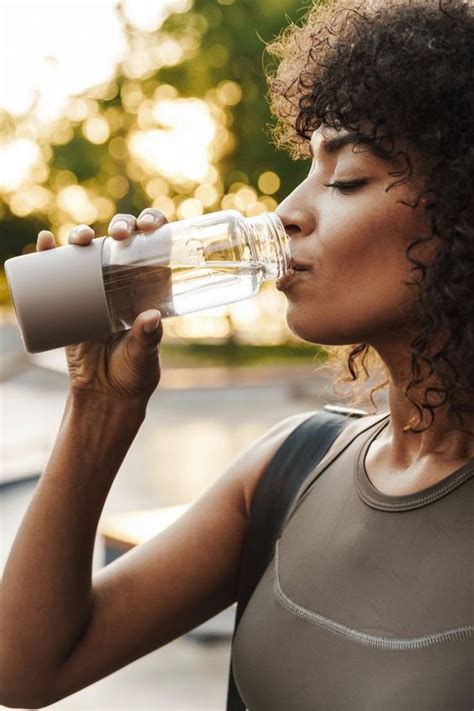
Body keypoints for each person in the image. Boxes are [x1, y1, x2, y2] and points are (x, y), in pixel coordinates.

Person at [1, 0, 473, 708]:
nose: (288, 210)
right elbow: (24, 668)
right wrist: (98, 408)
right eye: (306, 168)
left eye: (345, 178)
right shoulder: (290, 468)